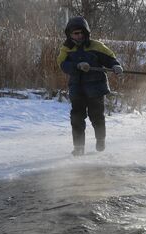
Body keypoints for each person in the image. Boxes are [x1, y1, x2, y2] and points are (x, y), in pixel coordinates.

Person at [57, 16, 123, 156]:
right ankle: (79, 147)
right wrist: (77, 65)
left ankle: (100, 139)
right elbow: (63, 65)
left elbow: (110, 58)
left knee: (97, 116)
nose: (79, 35)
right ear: (69, 34)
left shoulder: (96, 46)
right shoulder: (66, 49)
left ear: (86, 33)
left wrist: (115, 66)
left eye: (81, 32)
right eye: (75, 33)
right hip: (77, 89)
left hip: (96, 89)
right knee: (77, 118)